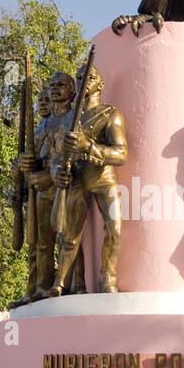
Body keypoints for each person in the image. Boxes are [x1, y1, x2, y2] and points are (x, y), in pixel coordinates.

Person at [48, 63, 129, 295]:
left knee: (114, 227)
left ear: (99, 84)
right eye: (80, 77)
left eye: (90, 77)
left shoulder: (111, 114)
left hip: (104, 177)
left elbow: (121, 154)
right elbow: (56, 155)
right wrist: (57, 172)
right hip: (77, 178)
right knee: (69, 234)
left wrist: (89, 147)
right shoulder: (68, 120)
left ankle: (108, 279)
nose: (85, 81)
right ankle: (61, 281)